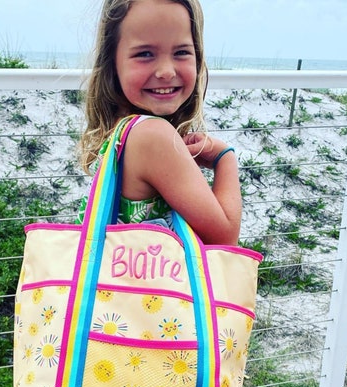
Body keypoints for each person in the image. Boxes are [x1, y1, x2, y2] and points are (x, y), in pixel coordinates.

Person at [77, 0, 241, 246]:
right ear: (113, 63)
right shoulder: (152, 135)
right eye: (145, 54)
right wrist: (224, 158)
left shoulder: (124, 130)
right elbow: (225, 239)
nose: (166, 71)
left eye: (181, 52)